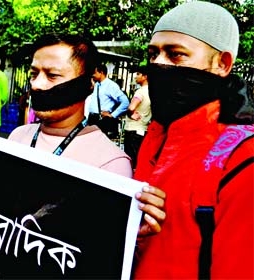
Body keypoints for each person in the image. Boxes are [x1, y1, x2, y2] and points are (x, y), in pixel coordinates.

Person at [0, 33, 166, 277]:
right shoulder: (18, 136)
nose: (37, 84)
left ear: (87, 84)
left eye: (52, 75)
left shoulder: (110, 164)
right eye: (34, 74)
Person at [133, 2, 254, 279]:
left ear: (222, 64)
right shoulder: (157, 134)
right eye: (153, 54)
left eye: (176, 55)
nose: (159, 64)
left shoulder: (243, 157)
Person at [87, 64, 129, 139]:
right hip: (92, 118)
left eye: (95, 73)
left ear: (101, 72)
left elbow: (125, 102)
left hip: (101, 120)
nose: (93, 75)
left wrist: (113, 115)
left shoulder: (111, 85)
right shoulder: (97, 84)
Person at [123, 65, 150, 170]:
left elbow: (131, 108)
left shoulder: (140, 92)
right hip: (143, 129)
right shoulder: (152, 92)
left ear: (145, 76)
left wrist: (130, 113)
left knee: (130, 161)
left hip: (133, 129)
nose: (135, 76)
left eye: (138, 74)